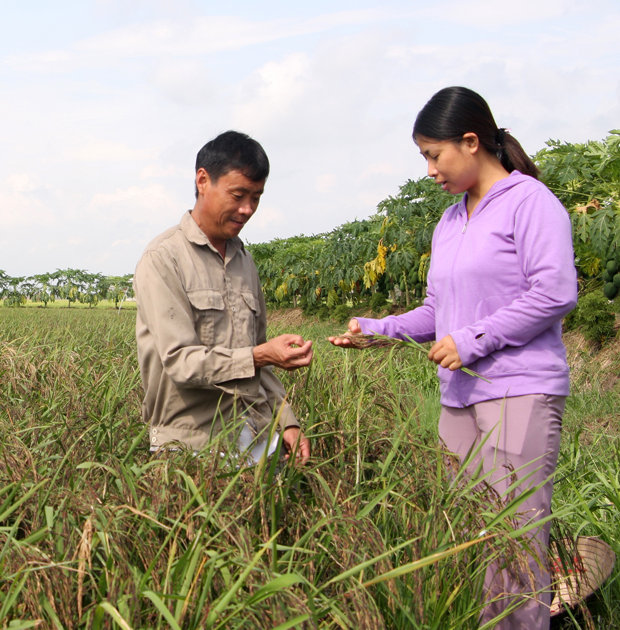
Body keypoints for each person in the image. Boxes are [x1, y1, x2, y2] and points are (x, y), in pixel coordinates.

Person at [329, 87, 577, 629]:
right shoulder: (448, 221)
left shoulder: (530, 201)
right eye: (423, 156)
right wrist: (378, 330)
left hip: (518, 390)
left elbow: (555, 292)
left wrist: (475, 340)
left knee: (514, 541)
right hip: (459, 397)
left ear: (471, 142)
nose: (429, 169)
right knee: (470, 532)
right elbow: (438, 311)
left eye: (433, 154)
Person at [134, 130, 313, 463]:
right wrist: (260, 356)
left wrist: (286, 420)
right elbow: (180, 362)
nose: (247, 209)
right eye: (238, 194)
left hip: (256, 429)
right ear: (203, 180)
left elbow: (260, 360)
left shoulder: (244, 261)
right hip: (193, 442)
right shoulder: (163, 258)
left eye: (256, 198)